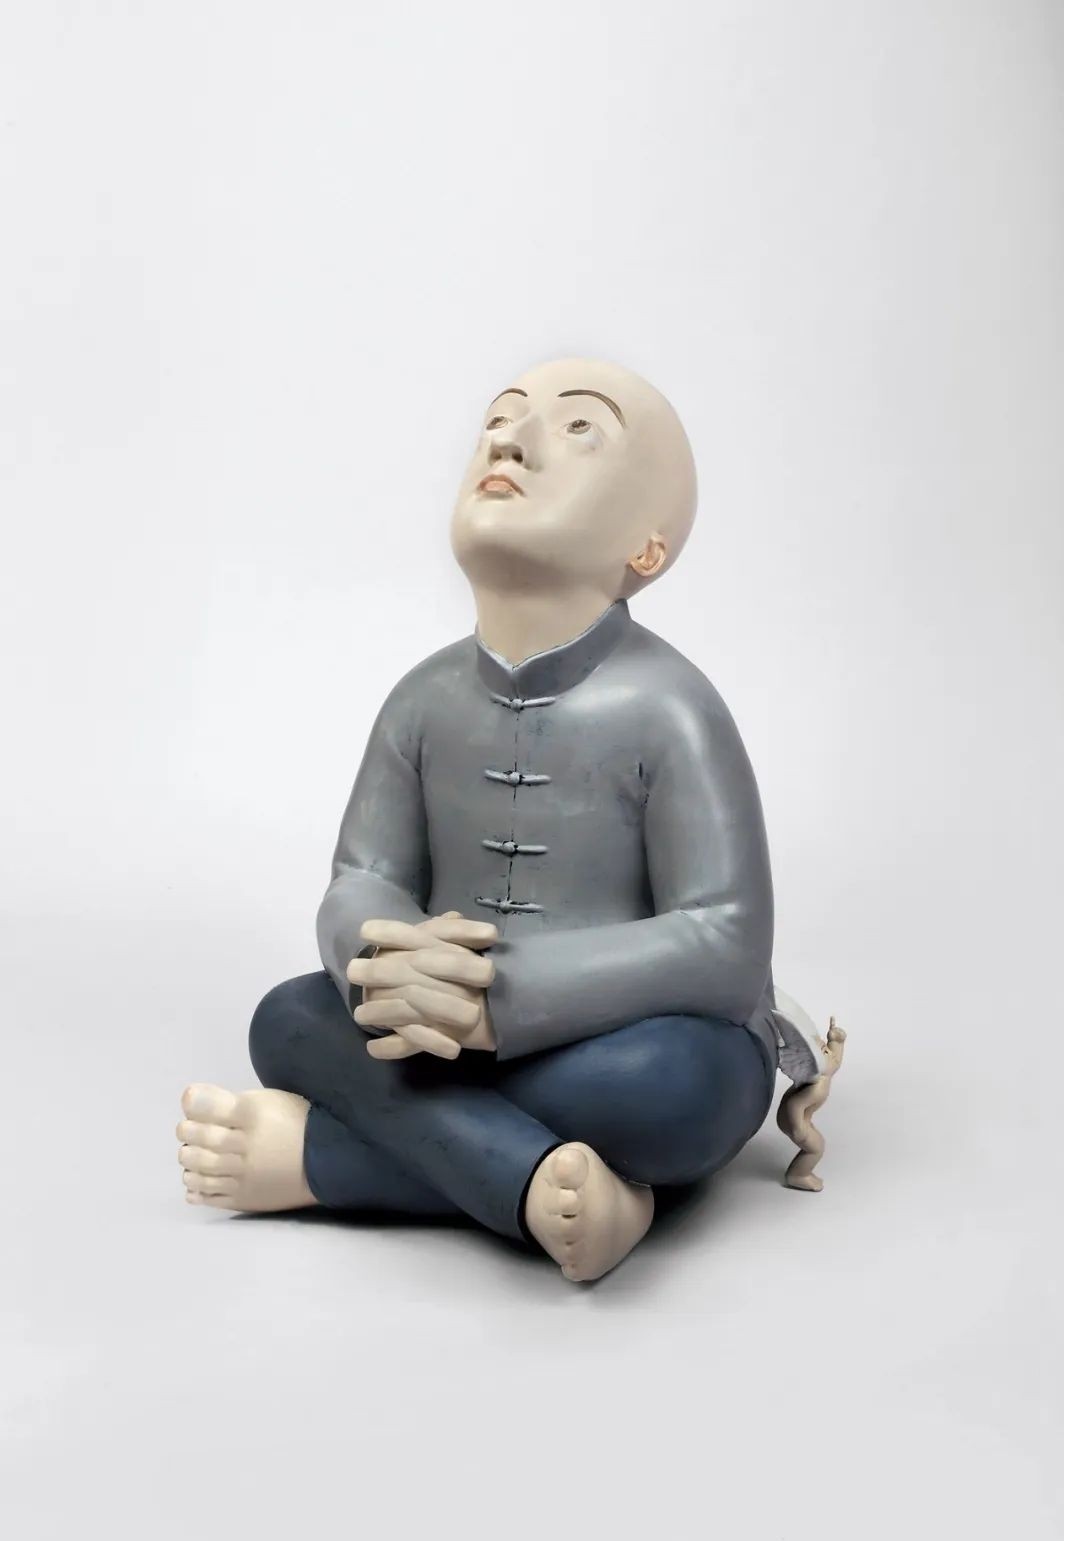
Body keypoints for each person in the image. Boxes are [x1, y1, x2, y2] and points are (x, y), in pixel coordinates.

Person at [176, 357, 817, 1282]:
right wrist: (384, 961)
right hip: (431, 1033)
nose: (508, 440)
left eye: (579, 428)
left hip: (621, 1041)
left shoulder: (673, 706)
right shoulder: (420, 699)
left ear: (646, 548)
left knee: (682, 1087)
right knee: (290, 1017)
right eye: (500, 418)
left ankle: (322, 1163)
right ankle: (551, 1186)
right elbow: (363, 877)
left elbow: (723, 941)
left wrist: (497, 996)